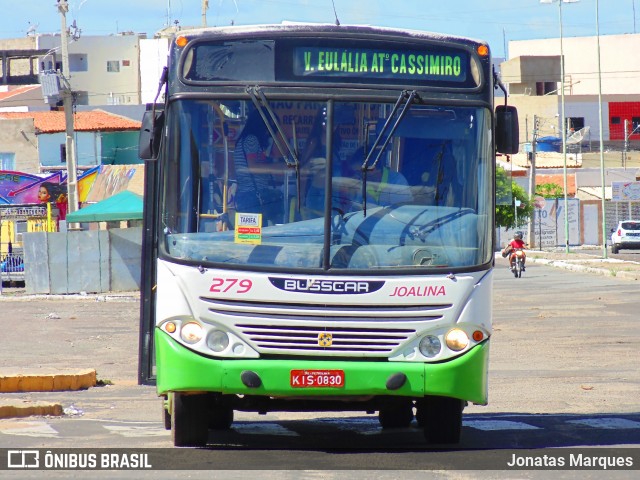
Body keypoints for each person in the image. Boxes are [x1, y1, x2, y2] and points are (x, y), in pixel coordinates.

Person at [233, 108, 283, 225]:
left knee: (250, 238)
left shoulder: (246, 139)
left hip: (248, 196)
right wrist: (279, 167)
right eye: (269, 127)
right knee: (252, 238)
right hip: (252, 197)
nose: (268, 132)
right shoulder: (251, 139)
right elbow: (253, 167)